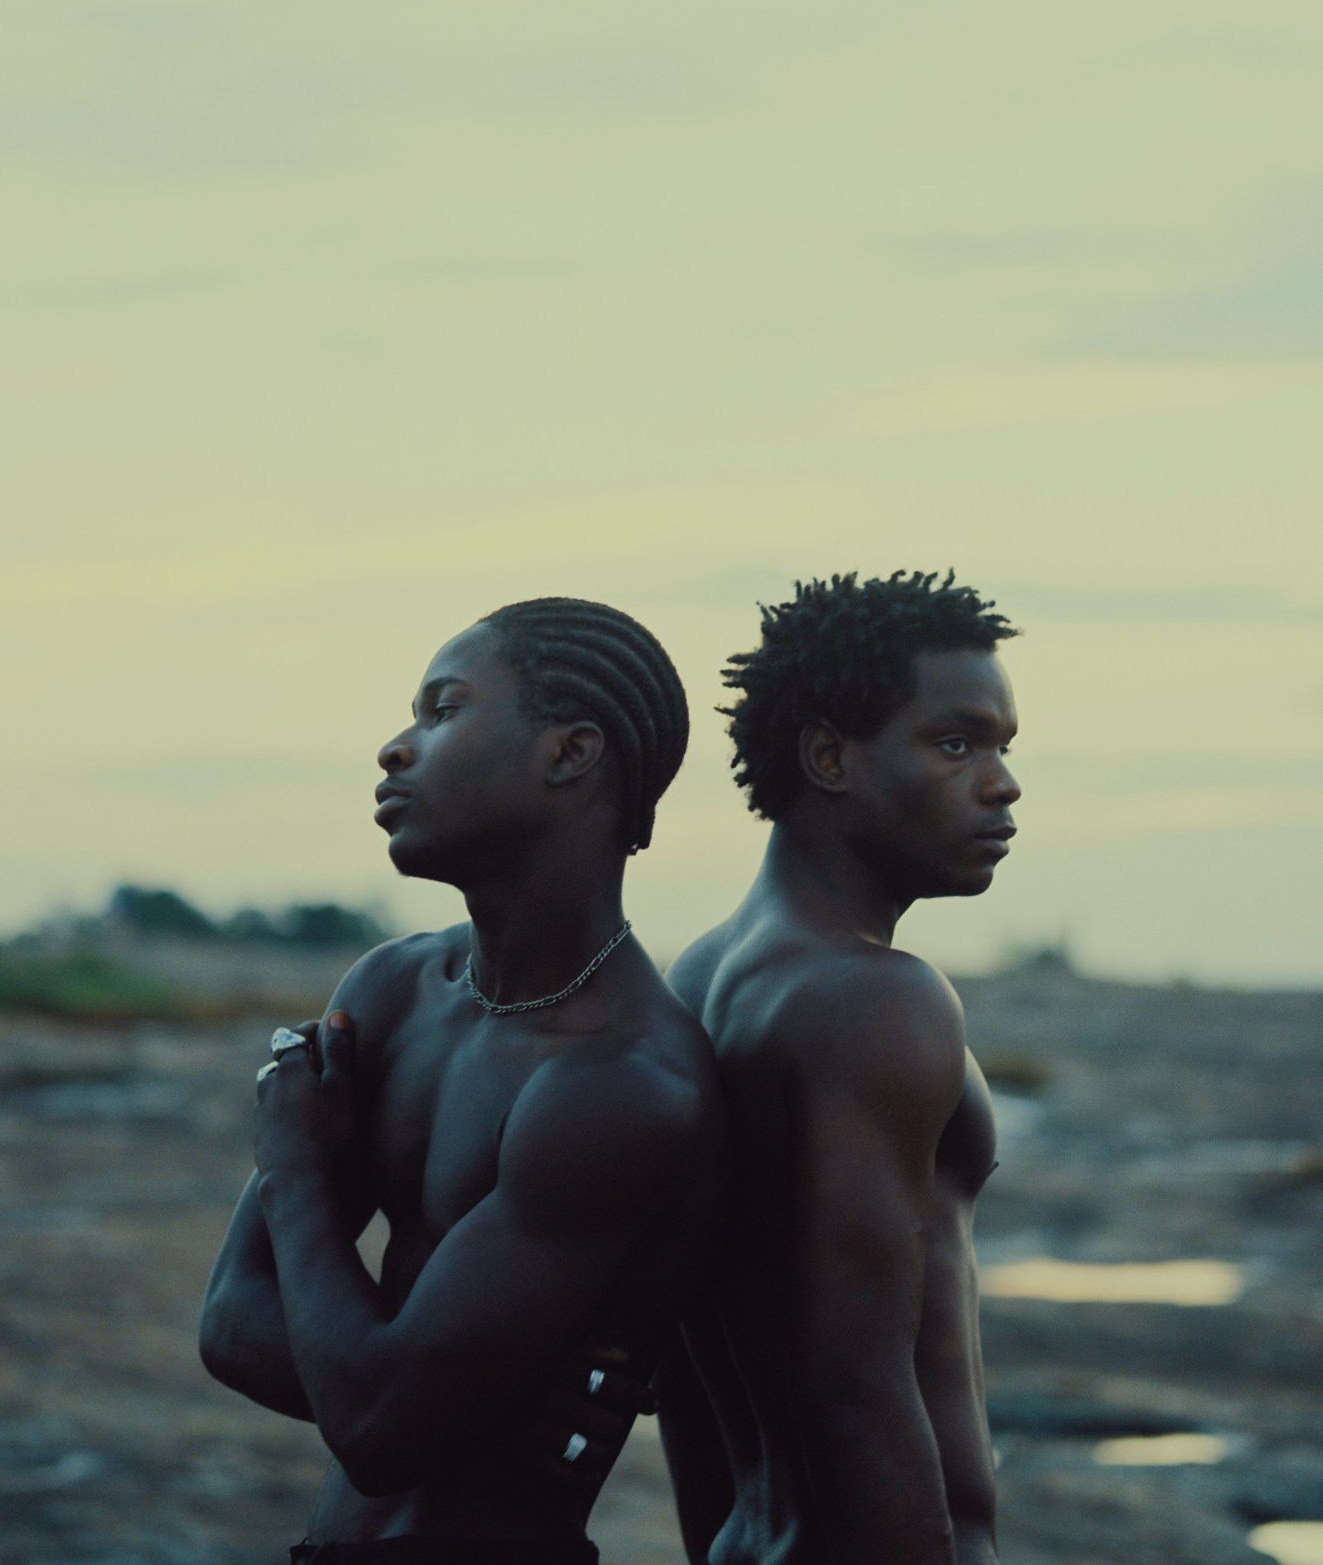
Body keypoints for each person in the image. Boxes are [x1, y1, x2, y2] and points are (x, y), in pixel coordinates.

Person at [200, 597, 726, 1565]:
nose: (395, 749)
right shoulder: (394, 989)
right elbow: (229, 1321)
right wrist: (428, 1390)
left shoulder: (629, 1085)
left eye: (441, 711)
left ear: (567, 754)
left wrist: (292, 1166)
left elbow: (381, 1431)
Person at [655, 571, 1020, 1565]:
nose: (1000, 782)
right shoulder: (872, 998)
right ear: (827, 755)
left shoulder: (702, 975)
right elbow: (854, 1389)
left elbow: (682, 1360)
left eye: (1000, 747)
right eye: (955, 742)